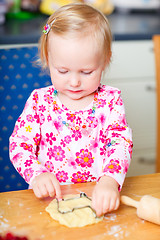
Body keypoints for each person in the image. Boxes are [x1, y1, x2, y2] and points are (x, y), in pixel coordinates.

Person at [9, 3, 133, 217]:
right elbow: (19, 145)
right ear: (48, 60)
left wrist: (110, 181)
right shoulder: (40, 102)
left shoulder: (110, 101)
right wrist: (37, 175)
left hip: (96, 201)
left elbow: (120, 143)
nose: (74, 81)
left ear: (105, 61)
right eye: (63, 71)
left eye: (86, 72)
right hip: (48, 201)